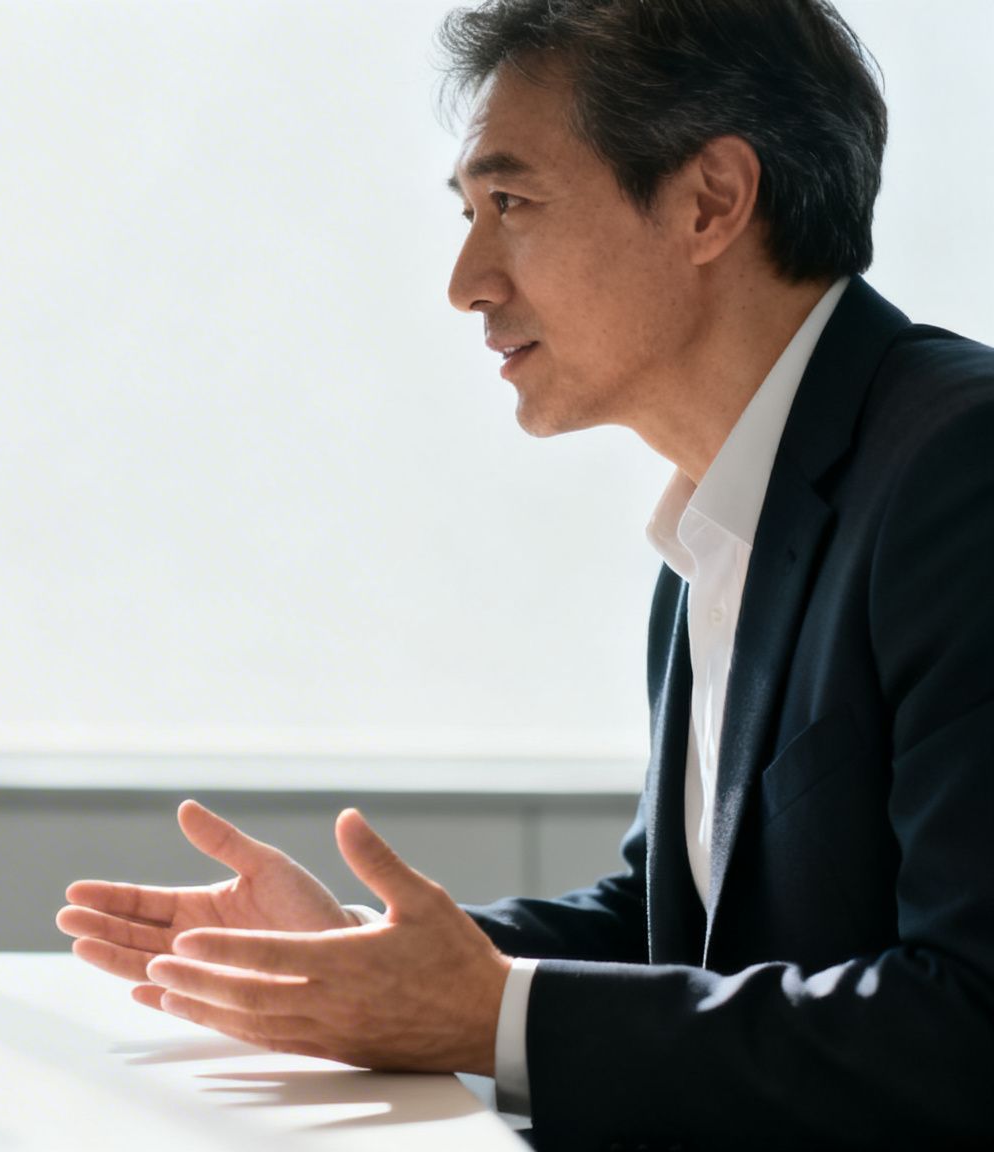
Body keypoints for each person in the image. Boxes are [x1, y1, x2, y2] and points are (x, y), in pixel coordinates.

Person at [59, 1, 994, 1148]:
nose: (464, 280)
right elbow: (676, 935)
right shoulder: (720, 525)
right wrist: (358, 964)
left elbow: (970, 1026)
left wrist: (484, 1014)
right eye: (466, 213)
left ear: (709, 201)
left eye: (510, 205)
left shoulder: (962, 471)